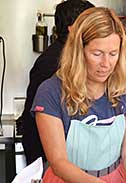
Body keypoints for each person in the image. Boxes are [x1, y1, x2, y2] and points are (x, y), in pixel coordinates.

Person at [32, 7, 126, 183]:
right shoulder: (50, 92)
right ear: (79, 51)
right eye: (97, 54)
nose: (106, 64)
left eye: (113, 53)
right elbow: (58, 162)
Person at [20, 0, 95, 165]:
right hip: (48, 156)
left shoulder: (77, 57)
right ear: (73, 28)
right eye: (90, 23)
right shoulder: (53, 63)